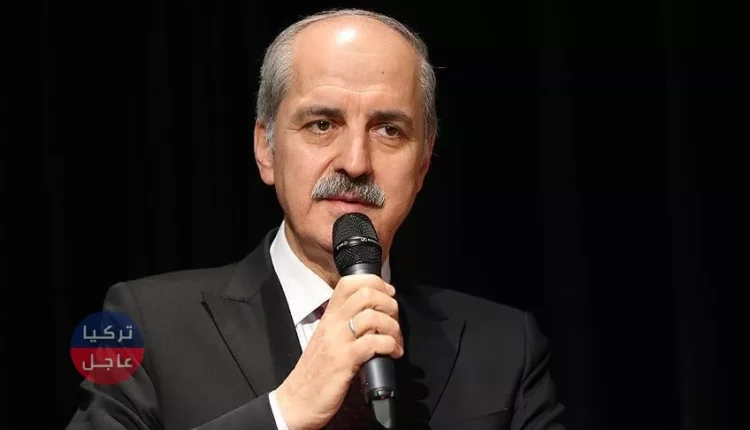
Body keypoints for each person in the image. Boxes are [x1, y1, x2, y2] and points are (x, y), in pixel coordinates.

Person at [66, 8, 565, 430]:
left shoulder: (506, 348)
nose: (355, 161)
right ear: (266, 149)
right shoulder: (143, 323)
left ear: (423, 164)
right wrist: (284, 412)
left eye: (389, 130)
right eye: (322, 124)